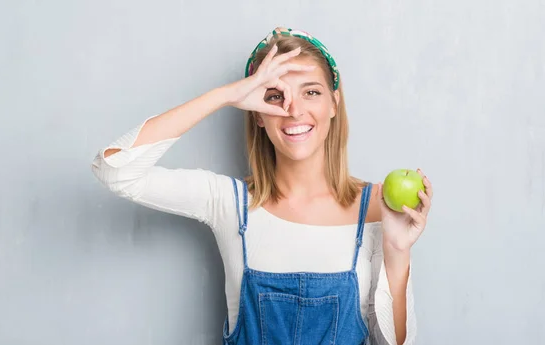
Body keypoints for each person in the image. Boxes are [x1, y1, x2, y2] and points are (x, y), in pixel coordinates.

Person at [91, 27, 433, 345]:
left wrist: (397, 251)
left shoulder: (378, 206)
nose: (294, 110)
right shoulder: (228, 203)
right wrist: (225, 96)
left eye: (311, 92)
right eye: (274, 96)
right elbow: (115, 170)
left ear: (333, 103)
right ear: (256, 113)